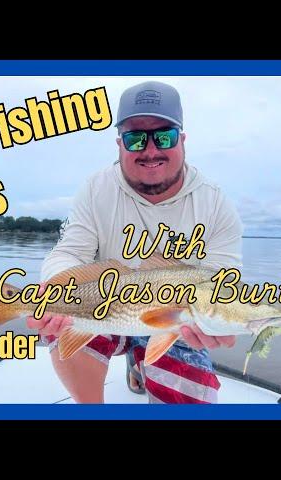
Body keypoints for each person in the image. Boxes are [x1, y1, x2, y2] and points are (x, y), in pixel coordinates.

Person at [26, 80, 243, 404]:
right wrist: (55, 287)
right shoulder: (96, 188)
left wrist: (220, 324)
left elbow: (223, 281)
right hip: (106, 310)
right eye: (135, 138)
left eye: (164, 136)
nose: (150, 150)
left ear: (182, 140)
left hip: (176, 322)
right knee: (66, 329)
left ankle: (140, 358)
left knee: (190, 390)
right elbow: (69, 251)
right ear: (120, 144)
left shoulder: (216, 204)